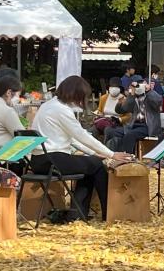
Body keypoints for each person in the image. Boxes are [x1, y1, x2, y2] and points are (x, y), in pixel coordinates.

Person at [31, 75, 129, 220]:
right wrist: (111, 154)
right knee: (97, 165)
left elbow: (71, 139)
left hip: (39, 160)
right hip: (52, 159)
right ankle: (109, 213)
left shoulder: (48, 105)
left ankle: (77, 213)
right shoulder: (62, 110)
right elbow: (81, 135)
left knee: (89, 165)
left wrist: (93, 152)